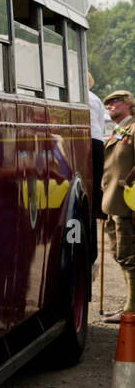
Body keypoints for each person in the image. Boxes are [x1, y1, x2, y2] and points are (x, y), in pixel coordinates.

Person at [100, 88, 135, 323]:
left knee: (130, 256)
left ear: (128, 104)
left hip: (128, 204)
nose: (110, 105)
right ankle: (130, 305)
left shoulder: (133, 128)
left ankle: (131, 309)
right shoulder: (118, 131)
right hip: (114, 203)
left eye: (115, 102)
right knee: (121, 255)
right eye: (108, 103)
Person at [88, 72, 106, 260]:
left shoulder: (83, 98)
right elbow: (100, 124)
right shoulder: (96, 99)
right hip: (97, 142)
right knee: (93, 192)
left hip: (89, 140)